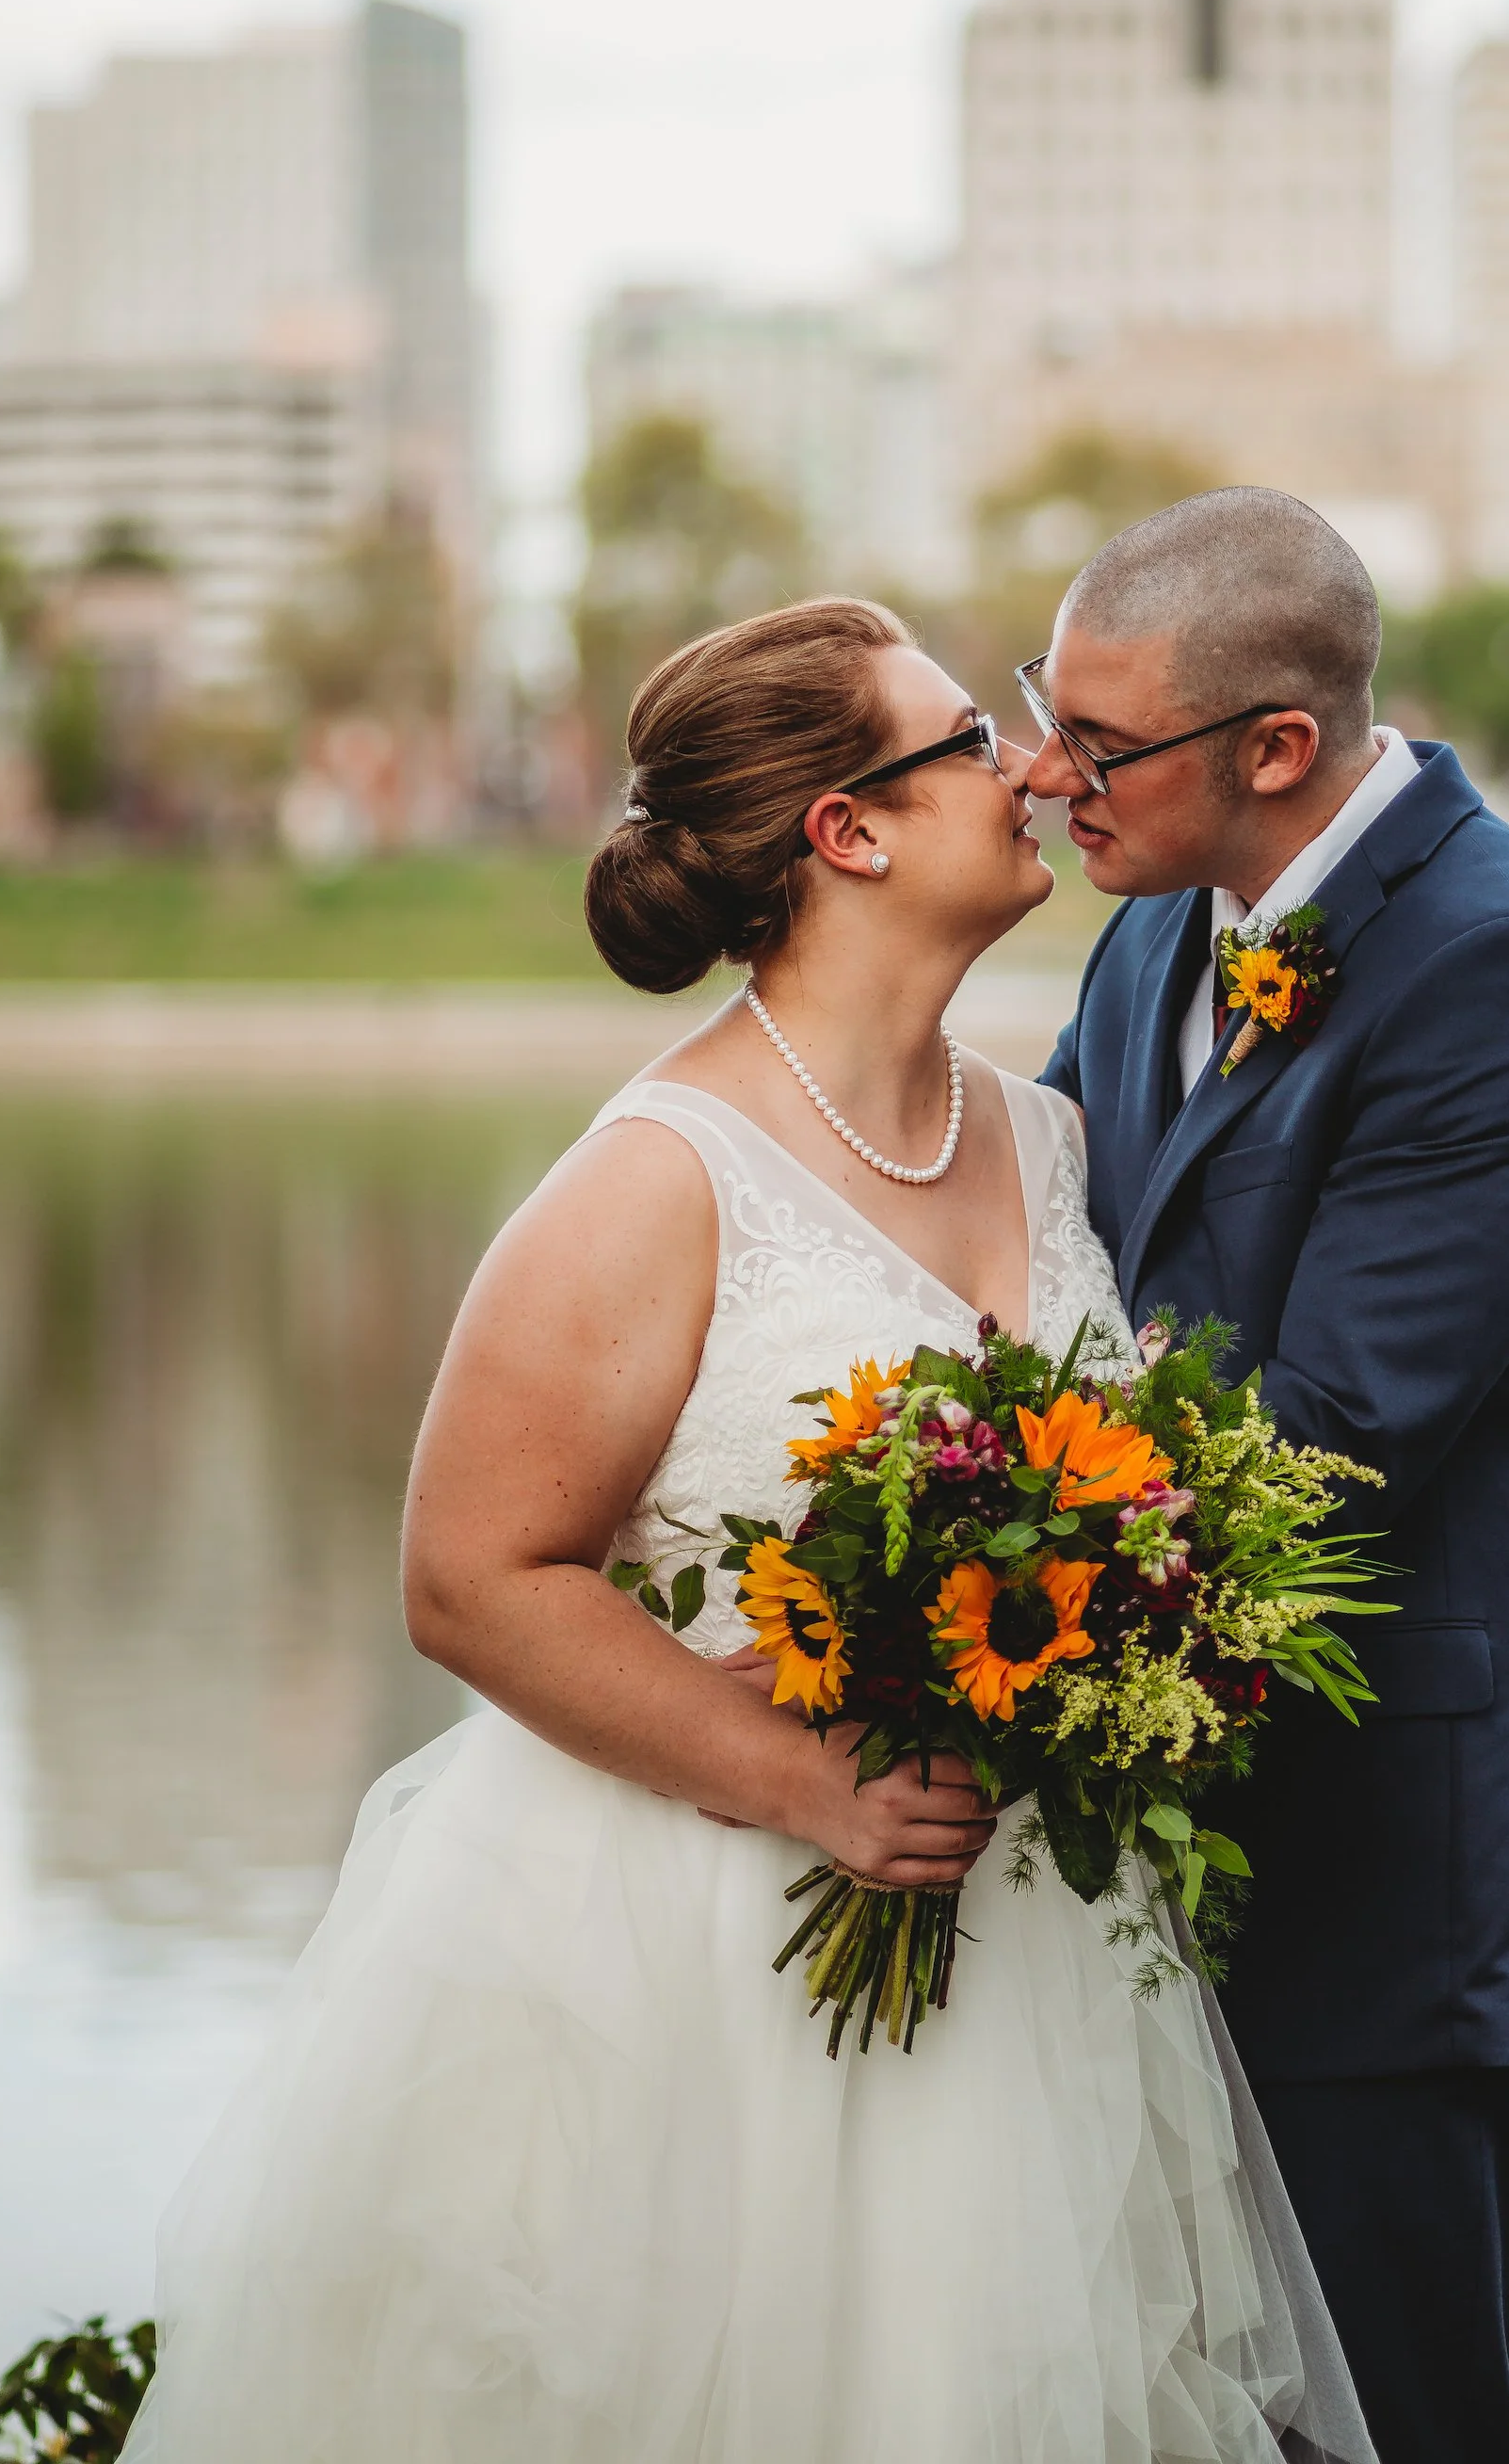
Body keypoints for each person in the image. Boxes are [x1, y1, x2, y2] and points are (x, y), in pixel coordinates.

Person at [126, 594, 1373, 2464]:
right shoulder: (659, 1177)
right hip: (696, 1976)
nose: (1033, 767)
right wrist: (808, 1783)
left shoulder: (1042, 1139)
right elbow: (467, 1579)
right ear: (848, 829)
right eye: (973, 740)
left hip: (1019, 1970)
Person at [1030, 490, 1509, 2464]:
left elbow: (1319, 1442)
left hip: (1407, 1887)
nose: (1047, 775)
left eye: (1097, 741)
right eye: (1043, 712)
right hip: (1171, 1856)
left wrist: (989, 1540)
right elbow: (1039, 1256)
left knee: (1392, 2432)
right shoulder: (1157, 930)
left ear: (1277, 747)